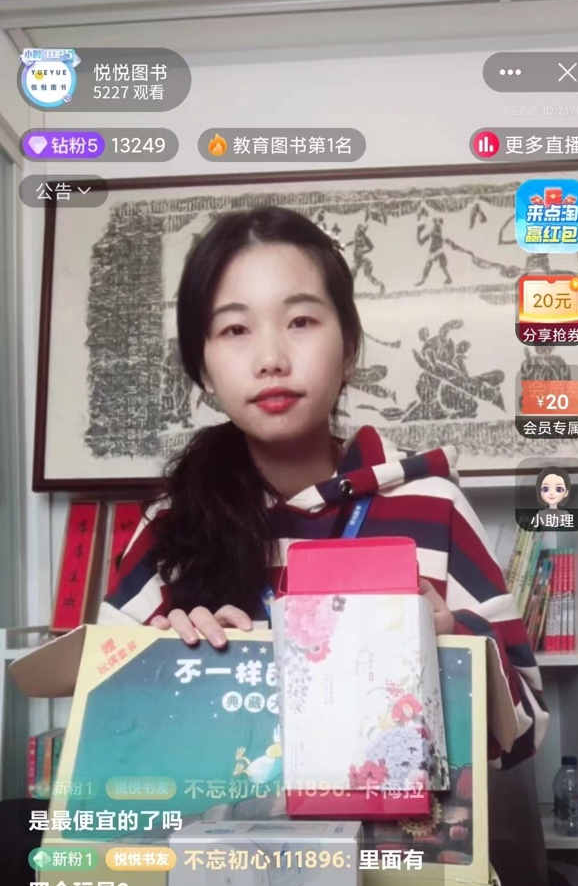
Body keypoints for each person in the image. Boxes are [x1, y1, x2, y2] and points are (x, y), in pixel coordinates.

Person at [99, 206, 548, 768]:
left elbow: (526, 734)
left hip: (396, 824)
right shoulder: (172, 524)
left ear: (350, 349)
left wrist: (453, 642)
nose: (271, 360)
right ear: (205, 371)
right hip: (221, 825)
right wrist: (165, 661)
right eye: (235, 329)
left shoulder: (432, 506)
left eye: (301, 321)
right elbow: (108, 732)